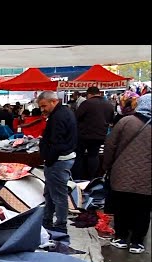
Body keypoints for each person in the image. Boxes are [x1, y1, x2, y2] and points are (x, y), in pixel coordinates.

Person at [103, 93, 151, 254]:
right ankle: (137, 242)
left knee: (121, 206)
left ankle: (121, 238)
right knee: (143, 209)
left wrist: (107, 166)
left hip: (121, 173)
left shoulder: (125, 121)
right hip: (147, 177)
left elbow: (110, 146)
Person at [38, 91, 77, 234]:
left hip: (58, 161)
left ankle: (60, 225)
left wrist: (48, 159)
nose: (43, 109)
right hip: (60, 159)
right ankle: (47, 220)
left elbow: (57, 142)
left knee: (58, 196)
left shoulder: (58, 117)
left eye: (44, 106)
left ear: (54, 101)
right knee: (49, 193)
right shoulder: (63, 113)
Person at [72, 86, 114, 180]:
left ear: (89, 94)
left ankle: (78, 178)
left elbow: (76, 117)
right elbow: (111, 120)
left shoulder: (87, 103)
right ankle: (92, 178)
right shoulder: (109, 104)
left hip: (84, 135)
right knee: (94, 155)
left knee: (79, 156)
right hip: (100, 136)